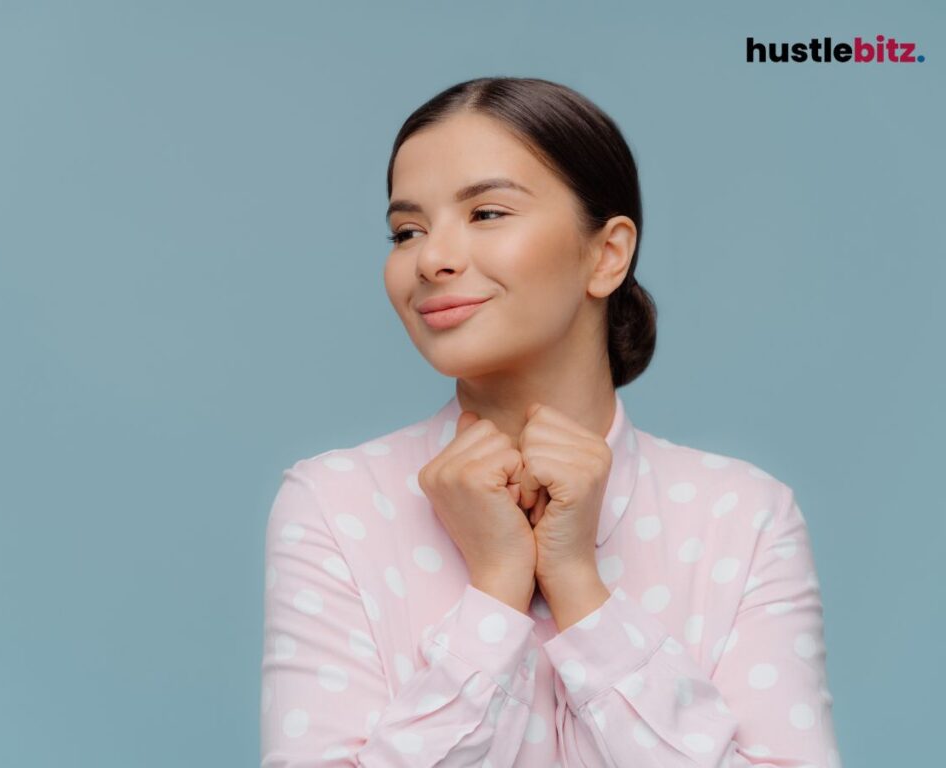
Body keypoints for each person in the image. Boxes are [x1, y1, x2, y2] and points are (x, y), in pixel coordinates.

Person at [260, 76, 841, 767]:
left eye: (486, 213)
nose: (432, 259)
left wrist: (578, 588)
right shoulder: (335, 505)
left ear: (607, 254)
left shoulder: (742, 517)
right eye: (407, 231)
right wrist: (497, 589)